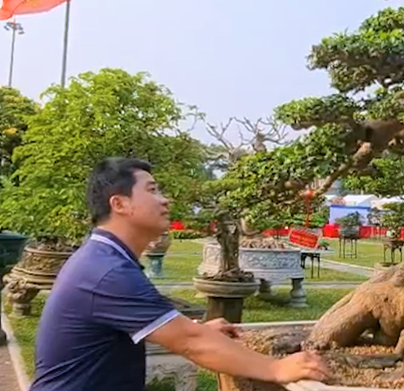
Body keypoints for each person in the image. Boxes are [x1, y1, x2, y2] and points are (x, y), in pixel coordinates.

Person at [29, 157, 330, 391]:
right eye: (152, 190)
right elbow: (190, 342)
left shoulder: (103, 258)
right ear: (119, 204)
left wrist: (197, 330)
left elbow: (140, 330)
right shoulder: (106, 271)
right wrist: (275, 369)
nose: (165, 199)